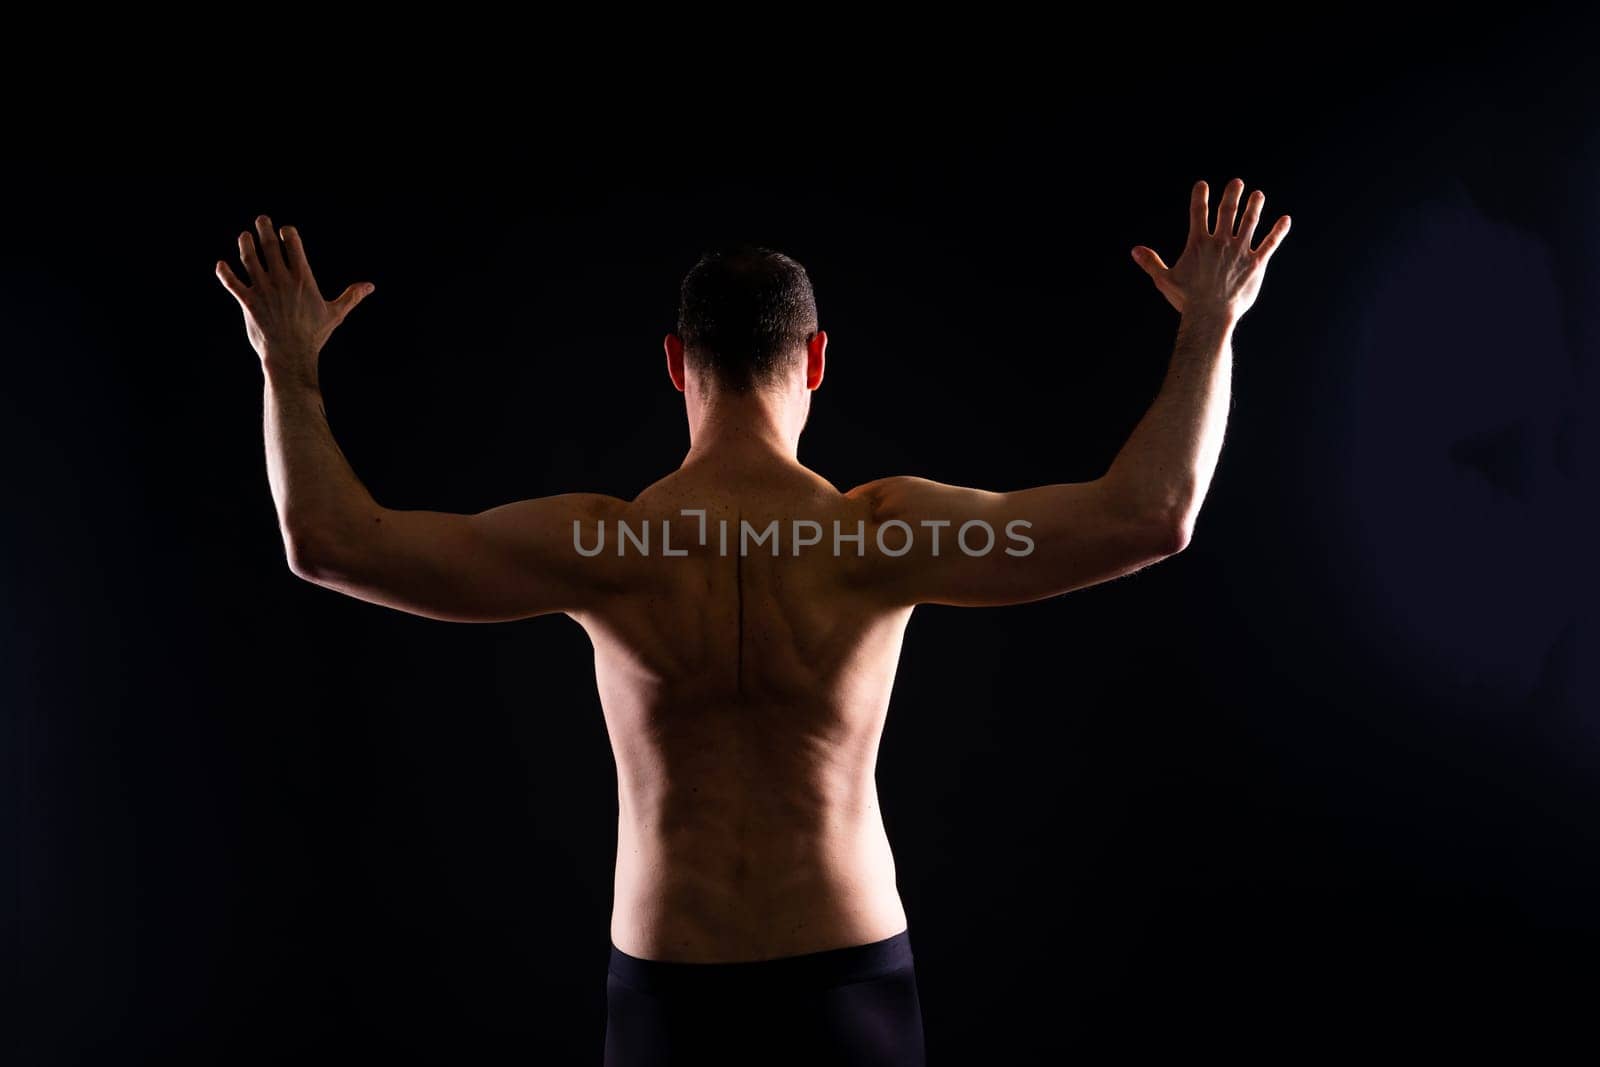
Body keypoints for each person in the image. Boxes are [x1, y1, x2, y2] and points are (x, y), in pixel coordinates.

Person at [215, 178, 1290, 1066]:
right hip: (850, 980)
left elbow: (330, 542)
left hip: (665, 993)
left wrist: (287, 364)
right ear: (816, 359)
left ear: (677, 363)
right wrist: (1208, 326)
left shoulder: (602, 545)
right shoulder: (887, 536)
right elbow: (1149, 516)